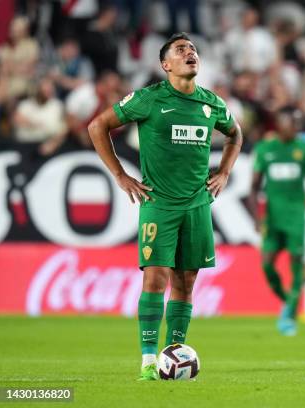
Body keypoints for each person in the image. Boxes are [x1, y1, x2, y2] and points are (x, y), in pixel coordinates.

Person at [87, 32, 243, 380]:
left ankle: (172, 354)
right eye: (181, 50)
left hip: (197, 205)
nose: (190, 53)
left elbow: (236, 134)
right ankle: (146, 362)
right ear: (165, 64)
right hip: (159, 204)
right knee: (155, 280)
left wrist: (225, 171)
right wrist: (120, 176)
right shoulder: (148, 99)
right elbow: (98, 126)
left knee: (185, 284)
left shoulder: (212, 103)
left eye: (194, 49)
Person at [249, 107, 305, 336]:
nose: (295, 127)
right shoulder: (265, 149)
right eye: (291, 122)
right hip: (273, 218)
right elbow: (253, 188)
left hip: (296, 218)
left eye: (297, 123)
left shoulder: (304, 149)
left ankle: (289, 312)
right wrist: (256, 218)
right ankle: (287, 301)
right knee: (267, 265)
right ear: (280, 123)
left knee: (297, 264)